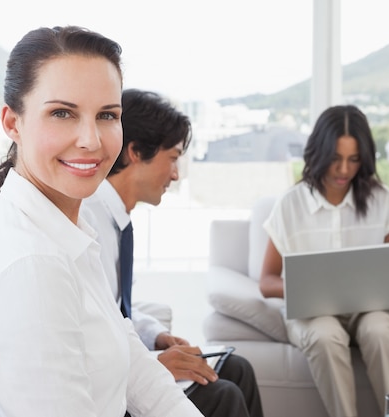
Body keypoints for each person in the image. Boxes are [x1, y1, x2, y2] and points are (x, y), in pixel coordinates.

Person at [0, 26, 202, 417]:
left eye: (107, 115)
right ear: (13, 123)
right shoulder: (29, 266)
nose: (91, 140)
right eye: (62, 113)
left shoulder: (66, 232)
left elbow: (134, 366)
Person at [82, 88, 263, 417]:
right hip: (105, 388)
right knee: (222, 395)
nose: (176, 174)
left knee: (237, 369)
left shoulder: (116, 220)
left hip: (125, 360)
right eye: (174, 157)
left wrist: (157, 336)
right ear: (136, 152)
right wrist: (154, 365)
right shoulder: (88, 223)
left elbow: (114, 311)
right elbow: (91, 341)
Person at [259, 104, 389, 417]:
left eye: (353, 160)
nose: (343, 170)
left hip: (368, 311)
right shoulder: (290, 204)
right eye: (335, 159)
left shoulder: (381, 200)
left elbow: (388, 270)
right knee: (325, 334)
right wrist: (308, 287)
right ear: (319, 153)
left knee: (381, 329)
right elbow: (267, 281)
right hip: (313, 315)